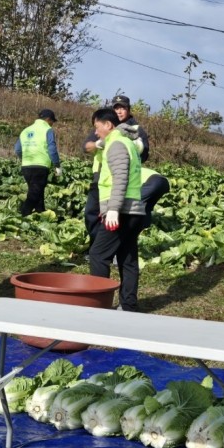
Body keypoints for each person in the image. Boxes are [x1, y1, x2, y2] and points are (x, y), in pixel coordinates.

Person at [87, 108, 146, 312]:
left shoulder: (116, 144)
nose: (96, 132)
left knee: (98, 254)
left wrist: (113, 209)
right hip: (133, 209)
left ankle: (99, 304)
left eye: (97, 127)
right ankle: (128, 305)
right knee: (127, 257)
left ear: (108, 125)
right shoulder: (127, 142)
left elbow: (120, 177)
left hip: (121, 210)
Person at [82, 94, 148, 244]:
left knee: (117, 217)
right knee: (92, 213)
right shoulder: (103, 126)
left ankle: (104, 249)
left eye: (122, 108)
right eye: (116, 108)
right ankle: (96, 245)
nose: (119, 111)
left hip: (121, 180)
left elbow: (143, 155)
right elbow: (86, 147)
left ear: (128, 110)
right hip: (101, 177)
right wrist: (99, 143)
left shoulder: (135, 129)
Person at [15, 108, 61, 216]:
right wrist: (57, 165)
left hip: (26, 166)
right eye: (52, 121)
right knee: (34, 193)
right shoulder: (47, 130)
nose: (52, 124)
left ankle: (41, 213)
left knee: (37, 192)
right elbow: (52, 149)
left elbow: (17, 149)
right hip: (40, 166)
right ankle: (24, 214)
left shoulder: (26, 130)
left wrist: (24, 159)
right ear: (48, 119)